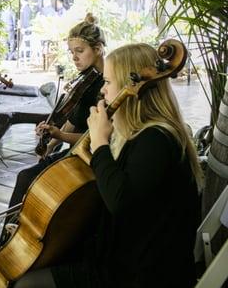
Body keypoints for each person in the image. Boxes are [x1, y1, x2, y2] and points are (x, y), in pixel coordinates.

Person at [13, 43, 203, 287]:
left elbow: (120, 201)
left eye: (108, 82)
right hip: (124, 256)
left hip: (142, 273)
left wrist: (100, 143)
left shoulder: (157, 139)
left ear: (131, 87)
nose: (102, 90)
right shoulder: (137, 133)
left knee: (27, 284)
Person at [4, 14, 106, 220]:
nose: (75, 58)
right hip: (77, 150)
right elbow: (74, 120)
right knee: (27, 177)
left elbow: (95, 137)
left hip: (92, 156)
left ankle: (11, 242)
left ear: (98, 49)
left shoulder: (105, 86)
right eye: (72, 52)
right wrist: (50, 144)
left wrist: (58, 135)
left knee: (27, 179)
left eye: (80, 51)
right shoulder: (87, 80)